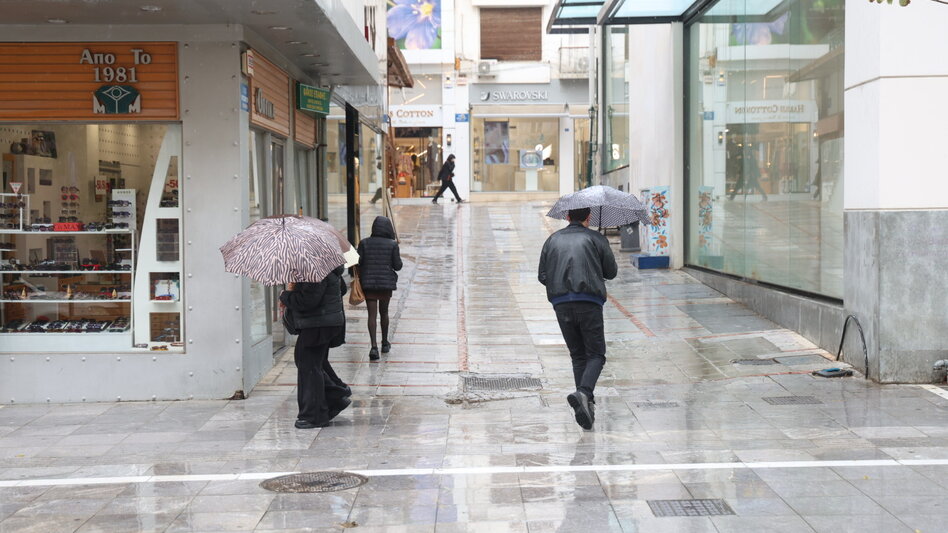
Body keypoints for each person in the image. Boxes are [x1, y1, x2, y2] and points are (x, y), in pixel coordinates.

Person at [537, 207, 618, 430]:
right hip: (589, 301)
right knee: (596, 354)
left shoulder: (552, 240)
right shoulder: (596, 238)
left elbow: (542, 275)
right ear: (588, 217)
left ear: (567, 216)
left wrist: (560, 283)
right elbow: (611, 272)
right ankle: (583, 393)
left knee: (578, 355)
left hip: (561, 303)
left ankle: (585, 407)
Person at [279, 266, 352, 429]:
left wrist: (286, 296)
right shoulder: (324, 266)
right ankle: (335, 396)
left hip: (318, 324)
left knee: (308, 365)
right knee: (310, 362)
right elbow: (341, 288)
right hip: (322, 322)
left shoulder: (313, 270)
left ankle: (314, 415)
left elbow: (309, 300)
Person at [357, 216, 402, 361]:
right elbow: (398, 266)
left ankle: (373, 347)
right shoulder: (392, 244)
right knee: (384, 313)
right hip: (385, 284)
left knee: (372, 315)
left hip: (369, 284)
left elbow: (358, 262)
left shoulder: (364, 243)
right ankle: (385, 343)